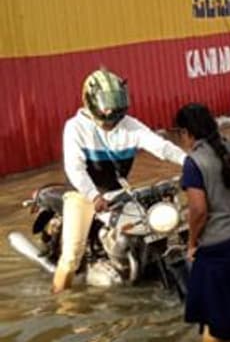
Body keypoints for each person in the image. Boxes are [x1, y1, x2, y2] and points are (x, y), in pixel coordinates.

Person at [53, 68, 187, 293]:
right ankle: (61, 303)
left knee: (152, 231)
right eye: (107, 104)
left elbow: (160, 146)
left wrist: (190, 162)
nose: (112, 112)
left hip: (118, 193)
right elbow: (75, 168)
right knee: (71, 257)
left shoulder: (129, 124)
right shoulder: (75, 127)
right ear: (91, 101)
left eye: (116, 103)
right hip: (83, 194)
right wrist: (93, 195)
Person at [173, 103, 230, 341]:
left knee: (215, 328)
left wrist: (192, 243)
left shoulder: (194, 162)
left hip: (219, 252)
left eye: (179, 134)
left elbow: (199, 210)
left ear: (187, 133)